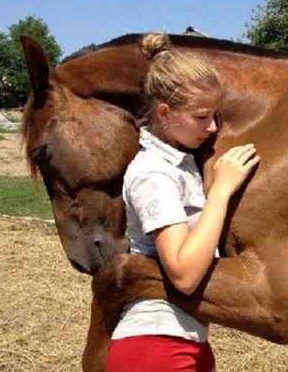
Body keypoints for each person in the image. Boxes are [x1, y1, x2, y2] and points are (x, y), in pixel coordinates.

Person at [105, 33, 260, 372]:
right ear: (165, 112)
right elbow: (184, 274)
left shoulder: (178, 162)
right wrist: (221, 191)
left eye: (215, 115)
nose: (213, 126)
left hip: (186, 340)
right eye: (202, 116)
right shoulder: (153, 174)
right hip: (153, 348)